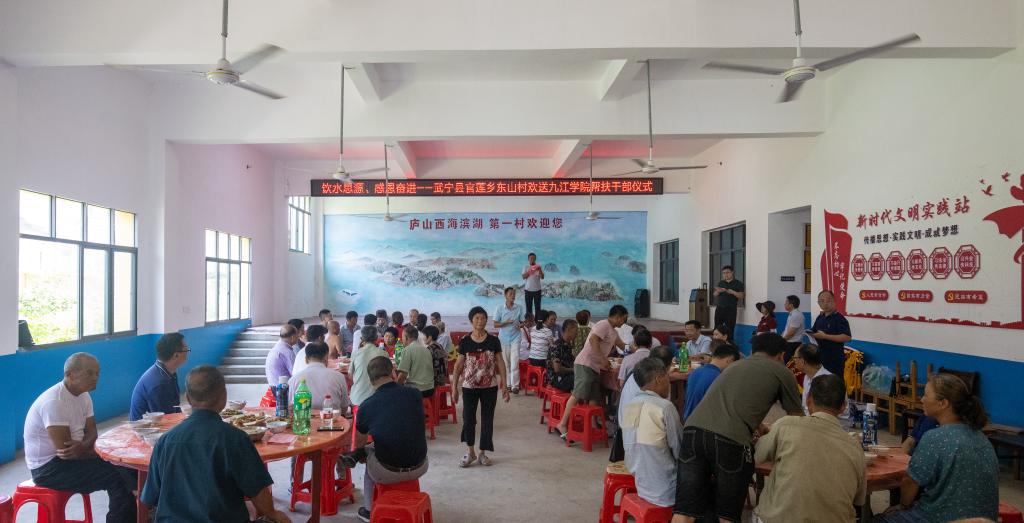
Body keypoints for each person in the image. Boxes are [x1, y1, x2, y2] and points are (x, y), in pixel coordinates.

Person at [674, 332, 803, 523]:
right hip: (731, 441)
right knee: (727, 514)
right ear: (781, 355)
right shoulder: (782, 371)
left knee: (686, 511)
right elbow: (797, 419)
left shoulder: (734, 366)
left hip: (693, 432)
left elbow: (730, 403)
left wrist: (758, 425)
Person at [142, 365, 291, 523]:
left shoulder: (165, 441)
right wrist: (274, 514)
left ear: (188, 398)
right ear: (224, 396)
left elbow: (150, 498)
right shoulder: (235, 438)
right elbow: (258, 492)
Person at [25, 353, 137, 523]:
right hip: (49, 469)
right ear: (69, 374)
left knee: (126, 466)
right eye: (89, 373)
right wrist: (97, 452)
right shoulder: (54, 402)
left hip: (74, 457)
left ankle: (136, 514)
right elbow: (68, 452)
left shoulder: (84, 395)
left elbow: (92, 434)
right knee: (117, 476)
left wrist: (86, 447)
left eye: (97, 373)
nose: (96, 378)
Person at [875, 374, 999, 523]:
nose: (922, 399)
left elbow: (910, 481)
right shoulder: (981, 438)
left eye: (926, 395)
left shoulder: (935, 438)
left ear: (943, 403)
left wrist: (903, 505)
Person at [753, 374, 865, 523]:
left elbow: (757, 455)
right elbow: (859, 500)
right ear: (843, 407)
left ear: (808, 400)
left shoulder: (786, 425)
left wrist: (766, 435)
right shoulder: (855, 447)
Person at [342, 357, 429, 523]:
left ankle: (368, 511)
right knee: (376, 447)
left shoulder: (367, 406)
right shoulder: (415, 394)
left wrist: (361, 452)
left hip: (388, 472)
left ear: (370, 380)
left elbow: (360, 441)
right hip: (420, 464)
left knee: (366, 454)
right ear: (393, 373)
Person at [555, 304, 629, 439]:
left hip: (595, 367)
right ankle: (562, 423)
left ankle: (593, 424)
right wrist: (602, 359)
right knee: (578, 393)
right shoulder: (603, 325)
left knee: (594, 397)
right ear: (618, 317)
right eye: (624, 318)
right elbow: (593, 339)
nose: (625, 322)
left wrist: (638, 349)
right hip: (585, 364)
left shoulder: (613, 332)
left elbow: (623, 346)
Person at [452, 306, 510, 467]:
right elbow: (458, 365)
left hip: (489, 388)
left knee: (487, 420)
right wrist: (454, 388)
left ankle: (482, 453)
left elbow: (500, 362)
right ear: (471, 321)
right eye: (477, 318)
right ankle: (470, 452)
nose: (480, 321)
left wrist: (505, 384)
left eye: (483, 318)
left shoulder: (493, 340)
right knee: (468, 419)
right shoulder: (465, 341)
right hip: (469, 388)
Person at [622, 358, 683, 509]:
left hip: (642, 486)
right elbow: (680, 451)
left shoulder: (629, 406)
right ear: (659, 378)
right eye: (668, 377)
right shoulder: (665, 407)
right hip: (667, 491)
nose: (669, 383)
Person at [612, 346, 674, 463]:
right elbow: (674, 438)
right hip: (642, 445)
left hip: (624, 435)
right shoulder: (660, 383)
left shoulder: (638, 373)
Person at [130, 332, 189, 421]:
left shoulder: (168, 372)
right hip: (147, 428)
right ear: (176, 355)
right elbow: (165, 421)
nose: (188, 352)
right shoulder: (159, 384)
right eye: (186, 349)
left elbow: (175, 409)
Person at [682, 341, 741, 421]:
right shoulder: (719, 377)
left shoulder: (695, 372)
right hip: (703, 423)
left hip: (687, 419)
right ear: (729, 360)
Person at [288, 341, 350, 413]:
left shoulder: (294, 379)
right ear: (326, 358)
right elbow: (344, 407)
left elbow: (290, 407)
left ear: (306, 359)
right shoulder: (339, 376)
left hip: (304, 419)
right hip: (332, 419)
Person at [809, 290, 852, 375]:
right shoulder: (820, 317)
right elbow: (814, 331)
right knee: (820, 381)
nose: (825, 304)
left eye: (828, 301)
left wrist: (825, 336)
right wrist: (809, 333)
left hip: (834, 360)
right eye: (822, 301)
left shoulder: (839, 318)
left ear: (834, 302)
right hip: (820, 357)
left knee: (834, 382)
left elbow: (847, 338)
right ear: (818, 303)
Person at [493, 287, 526, 394]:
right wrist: (506, 322)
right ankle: (508, 384)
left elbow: (523, 322)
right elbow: (495, 324)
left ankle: (515, 386)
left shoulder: (519, 308)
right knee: (506, 363)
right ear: (505, 295)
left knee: (515, 362)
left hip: (516, 337)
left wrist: (520, 325)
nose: (513, 295)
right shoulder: (499, 308)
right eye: (511, 293)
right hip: (503, 339)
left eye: (514, 293)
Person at [349, 326, 389, 407]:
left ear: (361, 338)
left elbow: (350, 375)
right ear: (377, 338)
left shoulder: (356, 353)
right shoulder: (384, 353)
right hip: (378, 399)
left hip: (358, 398)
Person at [792, 343, 833, 415]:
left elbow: (824, 414)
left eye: (794, 358)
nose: (793, 361)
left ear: (802, 361)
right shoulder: (807, 376)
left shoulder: (826, 382)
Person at [396, 325, 435, 398]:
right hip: (430, 389)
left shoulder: (407, 350)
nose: (402, 339)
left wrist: (395, 387)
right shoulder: (426, 349)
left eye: (402, 337)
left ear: (406, 337)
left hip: (416, 390)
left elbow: (403, 375)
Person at [712, 265, 745, 342]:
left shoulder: (738, 283)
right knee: (717, 327)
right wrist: (718, 291)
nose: (725, 275)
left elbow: (742, 296)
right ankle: (716, 345)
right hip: (720, 308)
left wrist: (733, 292)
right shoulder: (721, 283)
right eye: (723, 273)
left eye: (727, 272)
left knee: (730, 329)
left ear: (732, 272)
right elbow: (714, 295)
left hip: (731, 309)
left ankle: (729, 345)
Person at [547, 319, 578, 393]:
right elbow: (557, 369)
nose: (577, 333)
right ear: (569, 330)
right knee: (582, 380)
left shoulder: (568, 345)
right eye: (576, 330)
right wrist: (573, 370)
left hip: (567, 376)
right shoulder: (557, 346)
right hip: (557, 379)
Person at [779, 295, 805, 363]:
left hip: (793, 344)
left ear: (791, 305)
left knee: (789, 364)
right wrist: (781, 337)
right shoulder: (792, 314)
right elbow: (787, 330)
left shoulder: (796, 315)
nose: (784, 304)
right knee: (785, 362)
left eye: (786, 302)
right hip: (789, 343)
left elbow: (791, 333)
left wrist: (781, 341)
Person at [522, 252, 545, 317]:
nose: (532, 259)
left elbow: (542, 277)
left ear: (535, 259)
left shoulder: (539, 266)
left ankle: (538, 321)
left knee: (538, 307)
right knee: (528, 307)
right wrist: (530, 270)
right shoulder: (526, 267)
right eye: (531, 258)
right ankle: (529, 321)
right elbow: (523, 277)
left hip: (537, 290)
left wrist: (539, 270)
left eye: (534, 258)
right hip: (528, 290)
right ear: (528, 259)